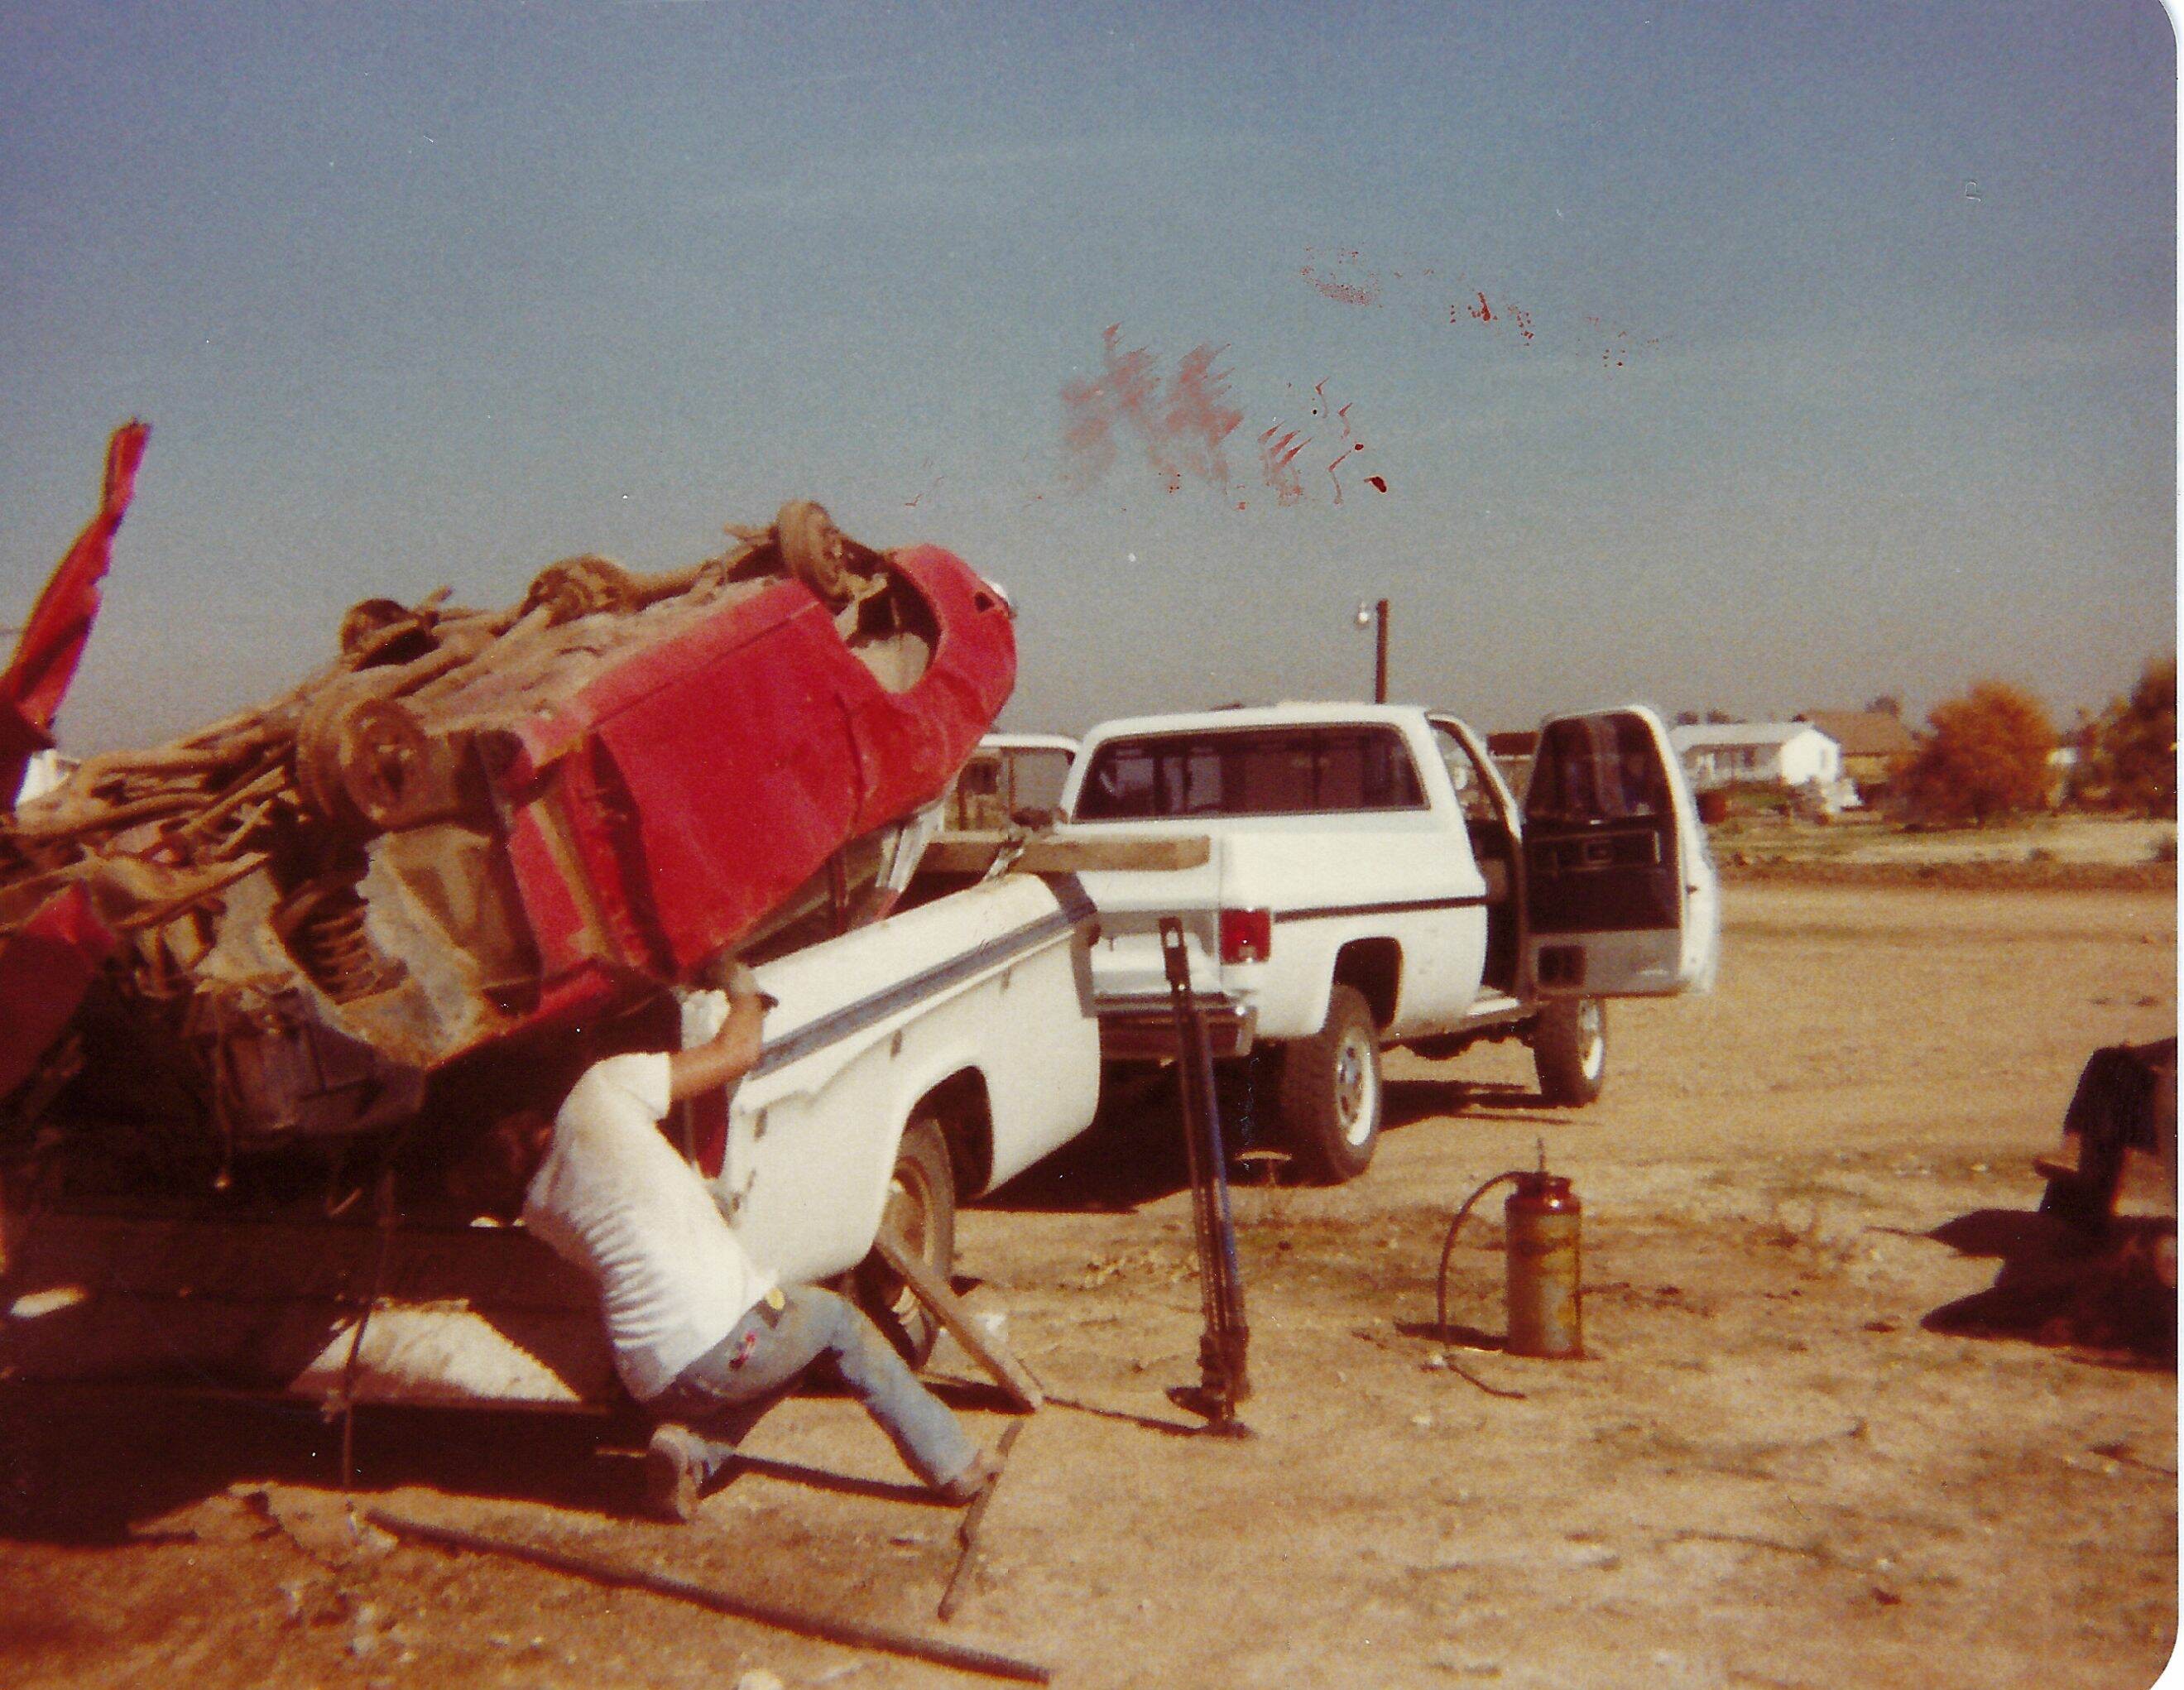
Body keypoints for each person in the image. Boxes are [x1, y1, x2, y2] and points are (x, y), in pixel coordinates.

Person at [480, 966, 998, 1522]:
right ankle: (955, 1464)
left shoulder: (538, 1210)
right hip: (715, 1344)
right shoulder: (601, 1091)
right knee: (838, 1326)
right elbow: (738, 1052)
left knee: (780, 1356)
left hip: (649, 1378)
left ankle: (689, 1454)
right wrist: (744, 989)